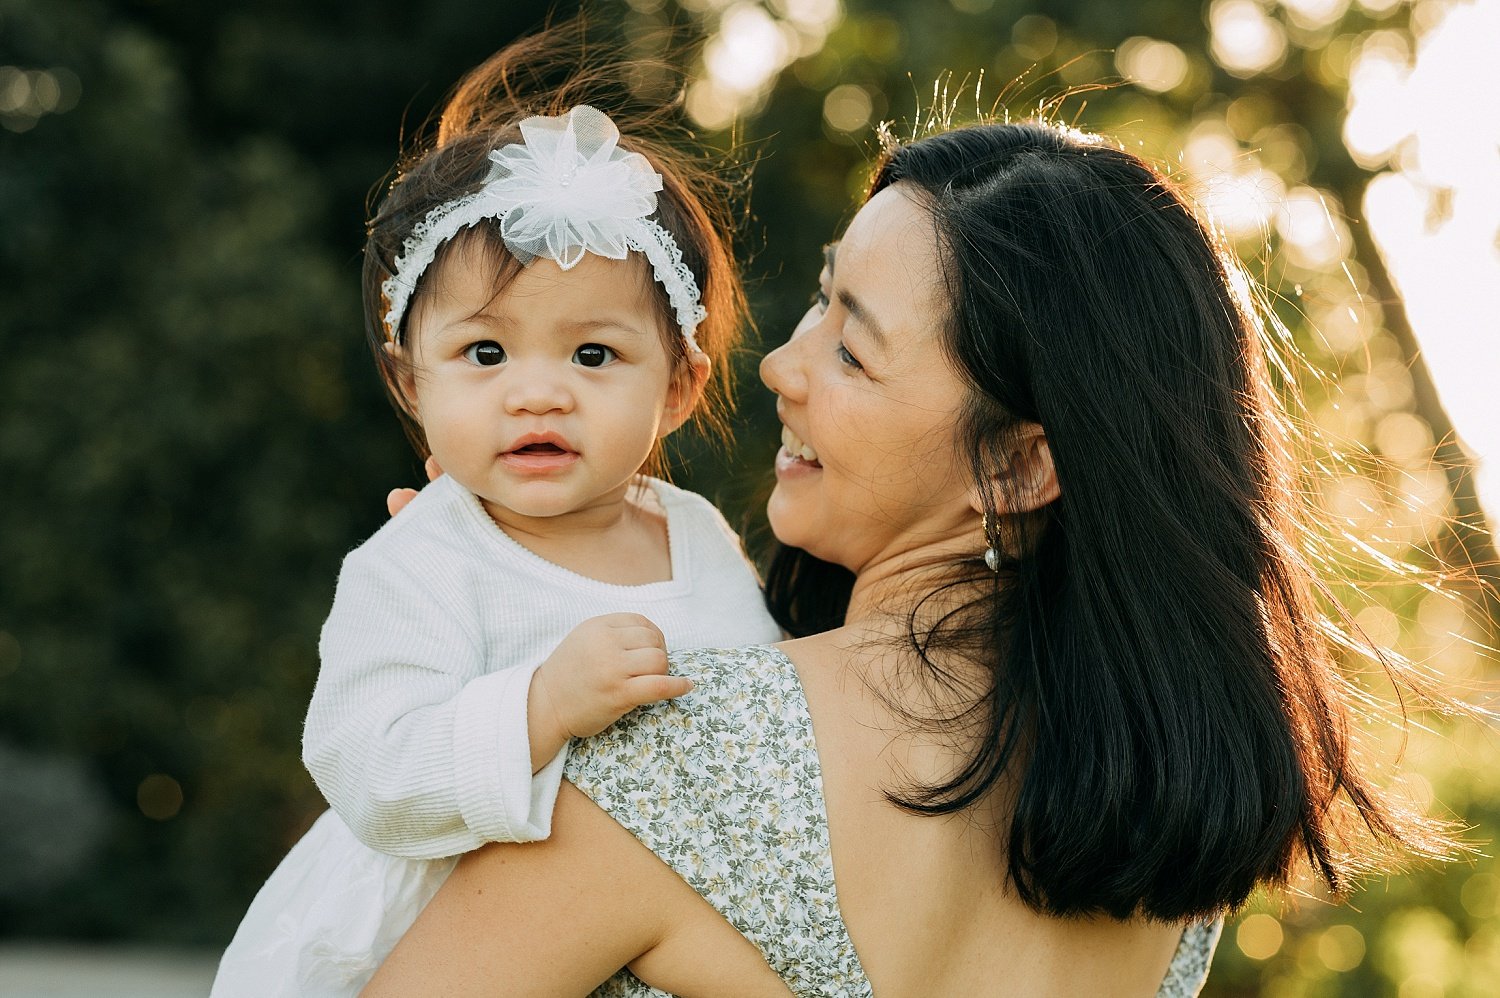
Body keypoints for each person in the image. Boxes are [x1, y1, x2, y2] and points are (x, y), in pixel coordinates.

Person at [364, 115, 1455, 996]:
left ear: (1020, 468)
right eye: (819, 298)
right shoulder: (1162, 849)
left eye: (851, 344)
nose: (782, 364)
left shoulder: (692, 749)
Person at [209, 38, 783, 998]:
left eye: (593, 356)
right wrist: (541, 706)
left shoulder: (698, 539)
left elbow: (763, 721)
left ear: (678, 387)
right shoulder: (423, 558)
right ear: (411, 379)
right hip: (424, 941)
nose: (537, 395)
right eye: (484, 353)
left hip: (631, 938)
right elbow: (368, 765)